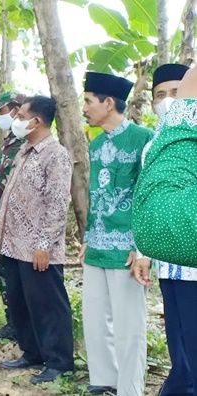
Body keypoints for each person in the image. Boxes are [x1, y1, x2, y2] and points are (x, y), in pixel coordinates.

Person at [80, 71, 153, 396]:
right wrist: (86, 239)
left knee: (129, 325)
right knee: (94, 318)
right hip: (96, 244)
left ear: (108, 103)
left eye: (88, 101)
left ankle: (130, 389)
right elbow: (97, 194)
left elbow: (148, 196)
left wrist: (142, 248)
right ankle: (104, 381)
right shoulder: (95, 144)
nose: (84, 108)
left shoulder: (143, 138)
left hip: (127, 248)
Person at [0, 96, 74, 384]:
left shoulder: (56, 155)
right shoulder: (25, 151)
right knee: (20, 302)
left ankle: (59, 361)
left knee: (48, 305)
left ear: (36, 121)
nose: (16, 118)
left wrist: (44, 245)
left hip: (38, 249)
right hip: (13, 245)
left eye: (21, 114)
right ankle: (32, 352)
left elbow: (56, 204)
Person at [131, 63, 197, 396]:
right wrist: (144, 253)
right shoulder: (155, 144)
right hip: (171, 262)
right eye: (161, 94)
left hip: (191, 260)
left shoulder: (185, 134)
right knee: (179, 337)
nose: (169, 100)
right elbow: (151, 199)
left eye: (177, 92)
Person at [0, 91, 25, 343]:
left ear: (15, 109)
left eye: (2, 111)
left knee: (15, 273)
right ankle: (12, 321)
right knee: (1, 271)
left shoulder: (26, 143)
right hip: (0, 215)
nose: (0, 117)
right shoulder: (8, 141)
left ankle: (22, 325)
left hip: (17, 222)